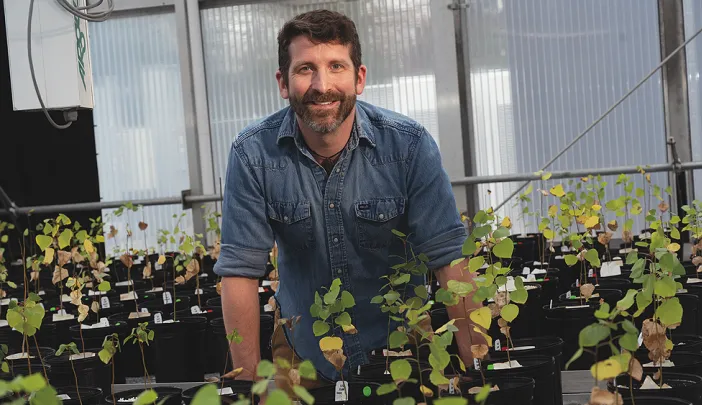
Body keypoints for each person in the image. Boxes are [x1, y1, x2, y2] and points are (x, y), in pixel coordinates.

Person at [214, 9, 482, 393]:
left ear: (359, 78)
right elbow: (239, 272)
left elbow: (449, 258)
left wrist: (479, 370)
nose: (322, 85)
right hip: (301, 352)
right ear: (283, 82)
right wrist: (247, 386)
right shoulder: (253, 154)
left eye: (336, 66)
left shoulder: (408, 146)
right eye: (306, 68)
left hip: (403, 351)